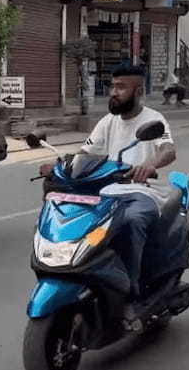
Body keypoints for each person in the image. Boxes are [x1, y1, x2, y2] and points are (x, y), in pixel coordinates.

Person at [72, 63, 176, 311]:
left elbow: (168, 150)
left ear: (138, 90)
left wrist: (149, 164)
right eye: (112, 86)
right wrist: (61, 167)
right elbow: (85, 152)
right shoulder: (108, 122)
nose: (113, 93)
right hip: (108, 192)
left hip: (143, 191)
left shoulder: (154, 120)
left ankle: (131, 294)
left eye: (121, 87)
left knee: (131, 221)